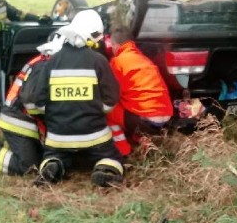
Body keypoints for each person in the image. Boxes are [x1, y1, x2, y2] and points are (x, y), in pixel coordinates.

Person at [20, 9, 124, 188]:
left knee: (53, 155)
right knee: (112, 157)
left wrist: (59, 110)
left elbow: (38, 100)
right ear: (91, 36)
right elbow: (111, 99)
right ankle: (105, 169)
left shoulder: (51, 62)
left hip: (58, 137)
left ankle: (52, 165)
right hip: (95, 136)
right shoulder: (98, 61)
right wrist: (94, 108)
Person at [0, 33, 65, 175]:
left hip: (23, 120)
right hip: (18, 121)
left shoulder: (45, 61)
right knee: (28, 166)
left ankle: (8, 147)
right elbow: (32, 103)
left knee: (39, 157)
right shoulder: (44, 65)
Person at [105, 25, 174, 156]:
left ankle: (122, 150)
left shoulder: (117, 62)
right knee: (132, 106)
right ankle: (143, 140)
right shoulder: (144, 59)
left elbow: (111, 94)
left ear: (115, 45)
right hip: (166, 116)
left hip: (145, 119)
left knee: (108, 110)